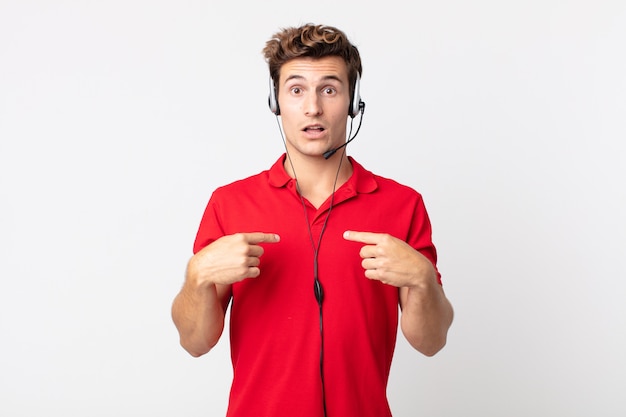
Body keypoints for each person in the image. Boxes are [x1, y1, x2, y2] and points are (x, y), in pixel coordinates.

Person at [172, 23, 454, 417]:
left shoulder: (402, 205)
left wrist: (423, 279)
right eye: (297, 89)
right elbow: (195, 341)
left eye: (330, 89)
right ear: (276, 102)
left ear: (353, 101)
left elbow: (431, 341)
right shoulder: (228, 204)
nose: (313, 108)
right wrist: (197, 275)